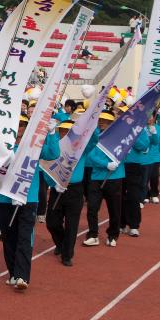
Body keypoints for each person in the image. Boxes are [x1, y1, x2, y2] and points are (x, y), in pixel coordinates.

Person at [0, 115, 60, 290]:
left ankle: (22, 276)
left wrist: (52, 133)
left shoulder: (34, 146)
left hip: (27, 199)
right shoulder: (4, 145)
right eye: (18, 124)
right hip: (6, 197)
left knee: (24, 237)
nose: (20, 127)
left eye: (23, 124)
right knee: (8, 237)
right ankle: (13, 273)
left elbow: (53, 154)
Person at [80, 112, 124, 248]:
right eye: (101, 120)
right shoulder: (96, 138)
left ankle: (113, 235)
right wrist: (105, 164)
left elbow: (125, 153)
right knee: (92, 208)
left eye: (105, 121)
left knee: (114, 209)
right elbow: (90, 157)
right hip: (96, 177)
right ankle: (93, 234)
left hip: (114, 178)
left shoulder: (120, 137)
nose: (102, 123)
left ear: (112, 123)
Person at [43, 121, 83, 267]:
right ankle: (60, 243)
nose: (65, 134)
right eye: (63, 131)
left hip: (74, 189)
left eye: (68, 132)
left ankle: (67, 254)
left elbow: (95, 140)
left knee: (72, 224)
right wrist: (54, 184)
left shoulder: (81, 149)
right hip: (57, 188)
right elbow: (45, 167)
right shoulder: (55, 148)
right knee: (52, 222)